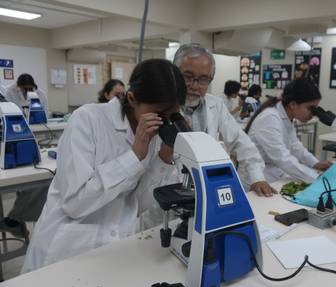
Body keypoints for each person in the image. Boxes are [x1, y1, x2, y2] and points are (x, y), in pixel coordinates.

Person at [21, 59, 186, 273]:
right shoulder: (87, 119)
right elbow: (75, 202)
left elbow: (136, 204)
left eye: (170, 115)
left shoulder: (154, 134)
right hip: (66, 252)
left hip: (116, 250)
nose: (164, 122)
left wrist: (164, 157)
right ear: (132, 98)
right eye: (159, 113)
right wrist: (134, 156)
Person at [173, 43, 276, 197]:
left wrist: (257, 177)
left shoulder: (215, 105)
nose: (194, 86)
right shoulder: (158, 105)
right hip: (169, 190)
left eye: (203, 79)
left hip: (206, 186)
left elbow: (241, 141)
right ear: (174, 74)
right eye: (187, 77)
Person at [244, 78, 333, 183]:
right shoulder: (270, 118)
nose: (313, 113)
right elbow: (282, 158)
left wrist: (316, 164)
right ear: (293, 104)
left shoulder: (287, 117)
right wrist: (316, 178)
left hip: (274, 172)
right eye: (310, 108)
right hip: (257, 178)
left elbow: (295, 146)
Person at [0, 74, 49, 238]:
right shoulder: (9, 92)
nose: (27, 91)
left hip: (14, 140)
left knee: (36, 180)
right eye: (25, 89)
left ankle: (14, 219)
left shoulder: (3, 95)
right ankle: (14, 220)